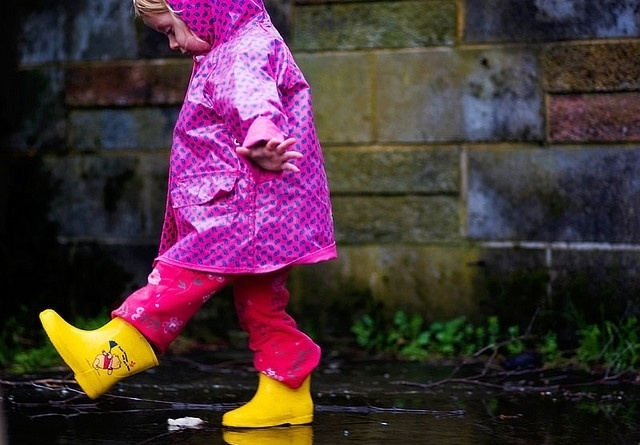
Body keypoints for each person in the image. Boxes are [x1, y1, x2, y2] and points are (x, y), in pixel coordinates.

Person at [39, 0, 336, 429]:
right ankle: (286, 393)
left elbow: (254, 98)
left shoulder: (243, 49)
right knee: (261, 305)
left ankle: (111, 353)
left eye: (170, 30)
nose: (174, 44)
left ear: (198, 7)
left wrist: (262, 138)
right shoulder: (232, 45)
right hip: (263, 209)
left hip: (245, 207)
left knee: (183, 273)